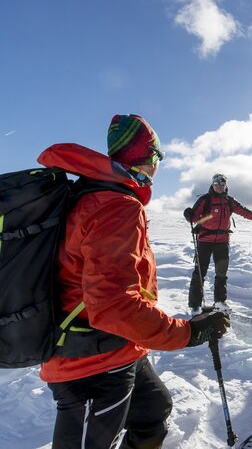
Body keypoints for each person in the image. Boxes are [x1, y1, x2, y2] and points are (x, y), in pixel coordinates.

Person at [37, 114, 230, 449]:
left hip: (117, 347)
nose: (158, 166)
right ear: (147, 158)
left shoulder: (98, 195)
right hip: (91, 363)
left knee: (153, 411)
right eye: (157, 157)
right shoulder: (115, 205)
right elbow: (114, 304)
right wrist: (187, 332)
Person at [184, 173, 252, 314]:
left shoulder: (229, 201)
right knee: (200, 273)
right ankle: (195, 305)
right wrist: (188, 214)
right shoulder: (205, 200)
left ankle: (220, 302)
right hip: (205, 241)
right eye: (216, 183)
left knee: (221, 273)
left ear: (226, 185)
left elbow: (244, 212)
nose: (218, 185)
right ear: (212, 185)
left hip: (222, 242)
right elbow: (194, 218)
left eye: (221, 183)